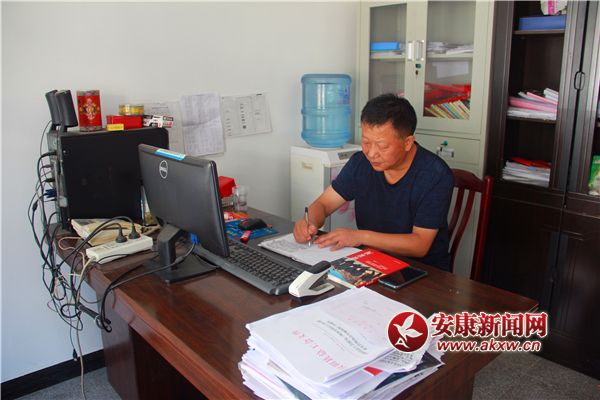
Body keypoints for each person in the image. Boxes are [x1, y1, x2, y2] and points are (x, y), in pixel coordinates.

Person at [293, 94, 454, 271]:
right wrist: (309, 223)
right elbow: (324, 204)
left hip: (422, 272)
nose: (371, 153)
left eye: (382, 146)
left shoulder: (435, 175)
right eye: (366, 142)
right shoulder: (360, 163)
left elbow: (419, 244)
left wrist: (360, 237)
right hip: (371, 261)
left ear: (408, 142)